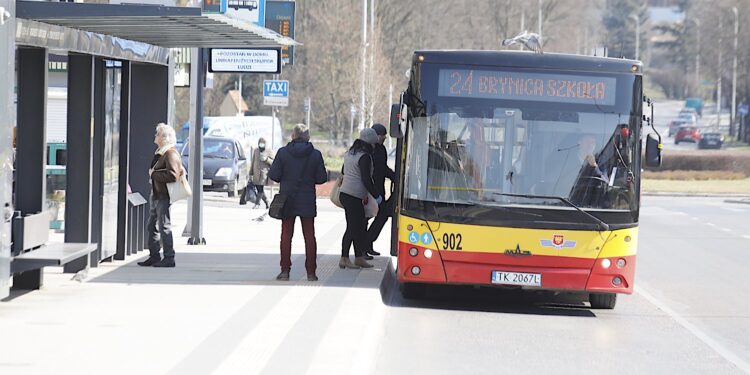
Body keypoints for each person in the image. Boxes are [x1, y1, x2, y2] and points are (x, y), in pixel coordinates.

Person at [268, 124, 328, 282]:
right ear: (308, 137)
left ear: (292, 136)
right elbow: (321, 178)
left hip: (288, 200)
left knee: (286, 236)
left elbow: (274, 175)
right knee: (309, 237)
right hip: (307, 200)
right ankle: (311, 273)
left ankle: (285, 271)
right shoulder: (315, 155)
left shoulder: (282, 153)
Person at [138, 123, 182, 268]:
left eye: (157, 134)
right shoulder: (161, 152)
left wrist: (154, 174)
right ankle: (154, 256)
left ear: (164, 138)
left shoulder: (170, 154)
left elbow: (173, 175)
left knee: (164, 227)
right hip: (157, 194)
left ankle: (169, 257)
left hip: (163, 195)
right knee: (152, 226)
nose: (155, 136)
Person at [339, 128, 383, 270]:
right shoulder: (365, 156)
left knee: (357, 227)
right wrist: (376, 196)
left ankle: (358, 258)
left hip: (346, 194)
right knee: (353, 228)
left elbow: (343, 171)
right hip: (353, 196)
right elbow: (366, 179)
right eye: (374, 143)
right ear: (370, 143)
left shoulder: (350, 153)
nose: (375, 146)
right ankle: (344, 257)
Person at [365, 123, 396, 255]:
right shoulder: (367, 150)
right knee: (365, 219)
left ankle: (368, 242)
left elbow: (383, 168)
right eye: (382, 137)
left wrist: (394, 176)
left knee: (382, 216)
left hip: (379, 190)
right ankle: (364, 246)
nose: (384, 139)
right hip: (368, 190)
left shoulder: (382, 149)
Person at [248, 137, 273, 209]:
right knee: (258, 188)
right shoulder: (256, 150)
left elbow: (274, 162)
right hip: (256, 174)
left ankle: (257, 204)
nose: (261, 144)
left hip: (263, 174)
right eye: (260, 143)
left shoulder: (269, 151)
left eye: (263, 143)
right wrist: (250, 174)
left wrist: (266, 159)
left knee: (260, 188)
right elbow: (253, 162)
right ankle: (267, 201)